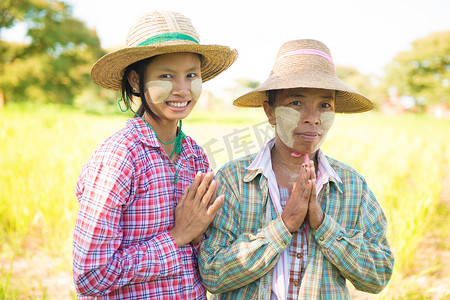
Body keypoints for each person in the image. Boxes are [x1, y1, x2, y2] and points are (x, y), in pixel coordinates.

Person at [199, 39, 394, 299]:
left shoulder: (351, 186)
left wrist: (322, 224)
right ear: (270, 111)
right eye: (296, 103)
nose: (312, 117)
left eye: (325, 105)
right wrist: (285, 224)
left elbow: (379, 275)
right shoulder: (234, 180)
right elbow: (212, 272)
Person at [72, 11, 237, 299]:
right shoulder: (120, 157)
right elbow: (90, 275)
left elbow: (203, 249)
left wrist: (199, 235)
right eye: (166, 75)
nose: (183, 89)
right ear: (136, 81)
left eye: (191, 75)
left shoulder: (195, 156)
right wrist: (178, 237)